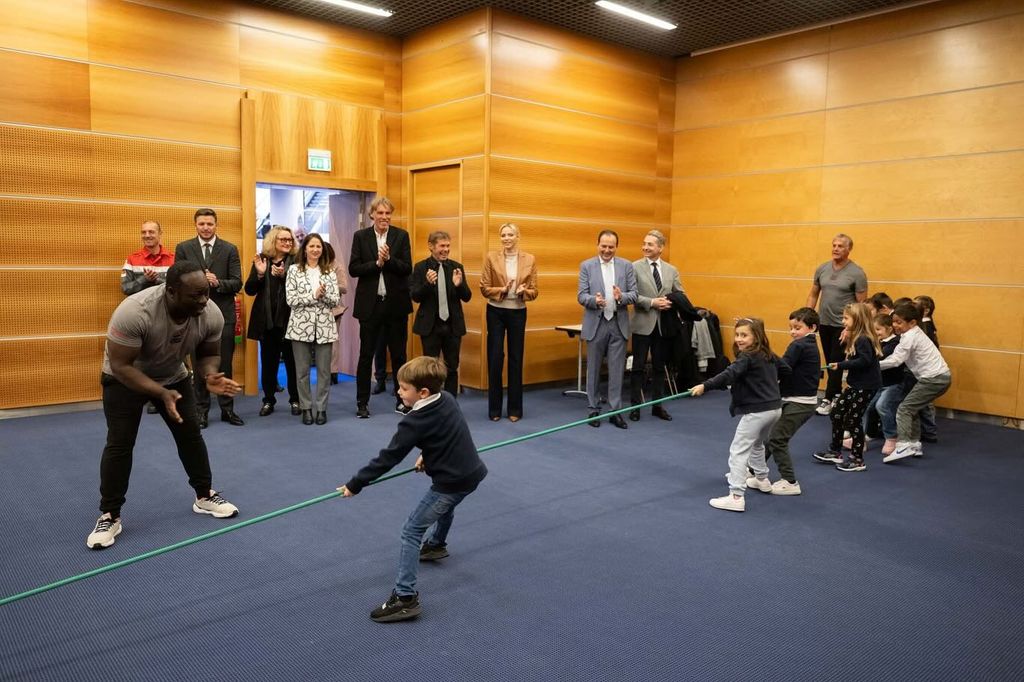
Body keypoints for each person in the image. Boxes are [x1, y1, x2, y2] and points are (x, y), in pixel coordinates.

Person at [86, 261, 240, 549]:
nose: (204, 300)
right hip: (124, 379)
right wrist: (160, 392)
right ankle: (110, 515)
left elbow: (208, 353)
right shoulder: (135, 311)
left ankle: (204, 495)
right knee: (120, 444)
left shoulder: (210, 313)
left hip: (173, 375)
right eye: (195, 295)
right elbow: (121, 366)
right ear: (170, 292)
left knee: (190, 435)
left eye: (205, 293)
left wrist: (209, 375)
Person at [338, 356, 488, 623]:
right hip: (472, 473)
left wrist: (355, 483)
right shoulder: (447, 398)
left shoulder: (414, 421)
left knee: (411, 529)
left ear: (423, 393)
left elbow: (388, 458)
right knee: (446, 505)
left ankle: (405, 598)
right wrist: (428, 456)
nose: (398, 392)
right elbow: (447, 433)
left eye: (403, 388)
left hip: (452, 481)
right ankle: (436, 545)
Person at [689, 317, 782, 512]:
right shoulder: (768, 354)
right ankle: (762, 479)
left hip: (757, 412)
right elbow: (786, 370)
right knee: (757, 444)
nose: (739, 339)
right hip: (774, 409)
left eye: (744, 335)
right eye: (737, 334)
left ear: (756, 336)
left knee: (738, 451)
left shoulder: (747, 356)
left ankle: (736, 496)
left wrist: (705, 386)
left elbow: (728, 374)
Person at [175, 208, 243, 428]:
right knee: (199, 363)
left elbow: (237, 282)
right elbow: (176, 280)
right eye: (202, 224)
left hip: (223, 315)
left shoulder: (230, 249)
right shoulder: (184, 248)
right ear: (195, 225)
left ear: (216, 225)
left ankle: (227, 409)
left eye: (210, 224)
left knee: (225, 363)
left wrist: (217, 283)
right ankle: (201, 410)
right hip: (195, 317)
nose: (206, 228)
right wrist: (198, 281)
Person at [348, 196, 412, 418]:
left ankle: (402, 401)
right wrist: (376, 264)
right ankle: (362, 403)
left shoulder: (401, 236)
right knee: (366, 356)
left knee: (399, 356)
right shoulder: (361, 237)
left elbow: (407, 268)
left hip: (396, 306)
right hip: (370, 306)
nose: (384, 217)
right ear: (372, 215)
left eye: (388, 213)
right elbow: (353, 269)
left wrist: (389, 259)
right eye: (380, 213)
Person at [577, 230, 637, 429]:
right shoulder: (587, 266)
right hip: (597, 323)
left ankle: (615, 411)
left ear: (616, 247)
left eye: (611, 247)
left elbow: (634, 295)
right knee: (593, 369)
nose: (607, 250)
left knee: (617, 370)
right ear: (597, 245)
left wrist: (621, 297)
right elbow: (581, 296)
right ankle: (593, 409)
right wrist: (594, 301)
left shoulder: (626, 266)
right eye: (603, 246)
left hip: (618, 323)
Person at [879, 302, 952, 463]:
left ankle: (904, 444)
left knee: (904, 409)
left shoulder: (910, 336)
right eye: (894, 321)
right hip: (939, 377)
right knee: (912, 408)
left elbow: (896, 360)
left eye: (899, 322)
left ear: (912, 323)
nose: (895, 325)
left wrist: (873, 366)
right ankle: (914, 444)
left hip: (934, 379)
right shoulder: (912, 334)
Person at [812, 302, 882, 472]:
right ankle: (835, 450)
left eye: (846, 318)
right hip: (856, 385)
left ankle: (857, 459)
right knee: (837, 413)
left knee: (853, 420)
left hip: (865, 386)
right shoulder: (856, 337)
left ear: (857, 320)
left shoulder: (863, 339)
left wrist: (842, 365)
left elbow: (864, 361)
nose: (842, 321)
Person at [480, 222, 538, 422]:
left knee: (516, 358)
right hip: (495, 311)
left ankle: (515, 410)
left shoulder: (529, 259)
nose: (506, 238)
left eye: (510, 235)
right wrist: (502, 290)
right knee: (495, 357)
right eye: (503, 235)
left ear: (517, 236)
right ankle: (494, 409)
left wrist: (525, 292)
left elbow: (535, 291)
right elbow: (484, 288)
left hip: (518, 312)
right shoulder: (491, 257)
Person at [762, 307, 821, 496]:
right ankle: (755, 471)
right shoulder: (809, 344)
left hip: (799, 403)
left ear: (812, 327)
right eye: (791, 328)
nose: (793, 332)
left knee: (777, 438)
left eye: (798, 327)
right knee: (771, 436)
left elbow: (782, 367)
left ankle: (790, 481)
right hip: (796, 400)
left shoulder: (799, 345)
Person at [806, 233, 868, 416]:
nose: (835, 249)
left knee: (836, 360)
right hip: (824, 323)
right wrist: (808, 316)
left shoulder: (856, 273)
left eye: (840, 246)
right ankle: (836, 394)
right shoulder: (822, 268)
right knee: (830, 359)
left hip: (843, 325)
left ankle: (830, 397)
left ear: (849, 249)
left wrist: (851, 328)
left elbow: (861, 305)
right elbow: (813, 294)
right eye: (834, 245)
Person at [244, 226, 299, 417]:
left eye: (289, 240)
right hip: (267, 322)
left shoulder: (297, 261)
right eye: (283, 239)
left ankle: (295, 400)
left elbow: (300, 289)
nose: (287, 242)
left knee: (293, 364)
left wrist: (283, 276)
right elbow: (249, 290)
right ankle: (268, 400)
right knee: (269, 363)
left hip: (291, 321)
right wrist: (260, 274)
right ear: (273, 241)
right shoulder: (262, 260)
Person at [285, 233, 340, 425]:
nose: (315, 249)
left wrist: (323, 296)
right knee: (302, 371)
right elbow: (291, 300)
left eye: (319, 246)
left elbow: (335, 300)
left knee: (324, 371)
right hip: (300, 327)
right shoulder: (293, 270)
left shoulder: (329, 272)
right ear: (305, 249)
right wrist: (314, 295)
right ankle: (306, 408)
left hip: (325, 326)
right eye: (312, 246)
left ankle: (322, 409)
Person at [628, 229, 682, 422]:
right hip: (642, 324)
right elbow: (631, 295)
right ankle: (635, 407)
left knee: (660, 367)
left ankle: (657, 406)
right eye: (644, 243)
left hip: (663, 326)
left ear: (660, 248)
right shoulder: (633, 267)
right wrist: (652, 302)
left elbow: (679, 294)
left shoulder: (671, 270)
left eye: (650, 244)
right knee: (638, 367)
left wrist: (671, 302)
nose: (645, 247)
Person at [410, 231, 472, 397]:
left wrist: (459, 285)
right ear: (431, 247)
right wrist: (427, 284)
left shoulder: (457, 267)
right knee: (430, 369)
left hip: (452, 326)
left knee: (452, 366)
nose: (446, 250)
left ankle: (451, 402)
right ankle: (431, 402)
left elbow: (467, 297)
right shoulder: (420, 267)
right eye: (442, 246)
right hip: (430, 326)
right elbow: (415, 296)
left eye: (448, 246)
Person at [849, 313, 904, 457]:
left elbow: (878, 356)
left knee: (882, 406)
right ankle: (866, 436)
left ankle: (891, 437)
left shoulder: (894, 343)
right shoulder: (875, 341)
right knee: (868, 407)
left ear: (889, 329)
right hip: (879, 384)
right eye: (873, 330)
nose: (876, 333)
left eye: (878, 330)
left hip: (893, 384)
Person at [120, 219, 174, 296]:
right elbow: (125, 288)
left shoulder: (173, 259)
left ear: (160, 234)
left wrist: (157, 280)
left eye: (151, 232)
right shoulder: (131, 259)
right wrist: (144, 279)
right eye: (143, 232)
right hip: (140, 307)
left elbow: (178, 288)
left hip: (165, 307)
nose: (147, 235)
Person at [914, 295, 940, 443]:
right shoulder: (924, 325)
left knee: (926, 402)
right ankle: (928, 430)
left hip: (926, 369)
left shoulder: (925, 326)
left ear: (926, 310)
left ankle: (930, 430)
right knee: (924, 401)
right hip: (923, 367)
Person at [326, 241, 350, 386]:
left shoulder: (336, 265)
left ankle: (333, 371)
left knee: (333, 343)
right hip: (315, 310)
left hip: (334, 310)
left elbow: (344, 287)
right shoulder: (312, 266)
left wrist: (327, 284)